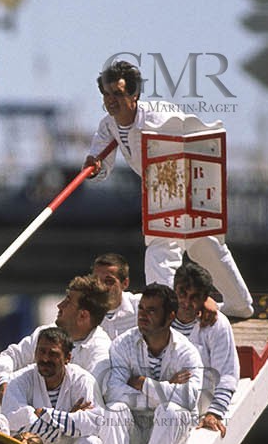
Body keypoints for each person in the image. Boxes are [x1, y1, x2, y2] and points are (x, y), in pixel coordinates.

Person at [85, 60, 253, 319]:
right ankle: (218, 305)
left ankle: (173, 311)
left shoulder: (158, 116)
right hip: (159, 188)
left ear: (134, 94)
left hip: (187, 181)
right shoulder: (108, 125)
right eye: (106, 94)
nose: (111, 100)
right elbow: (100, 164)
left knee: (197, 245)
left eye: (118, 94)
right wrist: (93, 165)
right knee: (174, 249)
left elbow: (192, 134)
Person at [103, 283, 203, 444]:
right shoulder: (122, 345)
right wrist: (166, 388)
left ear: (169, 317)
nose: (143, 315)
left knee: (171, 410)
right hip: (137, 431)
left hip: (172, 432)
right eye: (141, 309)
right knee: (114, 409)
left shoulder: (187, 352)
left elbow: (189, 398)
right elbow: (114, 391)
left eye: (151, 310)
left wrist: (142, 383)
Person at [0, 327, 108, 444]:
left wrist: (45, 414)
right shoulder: (19, 380)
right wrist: (70, 419)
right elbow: (13, 420)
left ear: (67, 358)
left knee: (91, 443)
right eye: (41, 351)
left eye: (53, 354)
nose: (45, 358)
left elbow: (94, 423)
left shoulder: (83, 380)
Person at [0, 274, 114, 400]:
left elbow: (88, 401)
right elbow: (9, 357)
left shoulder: (102, 352)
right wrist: (2, 384)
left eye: (68, 302)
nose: (59, 305)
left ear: (83, 316)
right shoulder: (45, 333)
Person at [172, 260, 241, 438]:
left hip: (198, 406)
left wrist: (215, 412)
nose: (186, 302)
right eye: (182, 294)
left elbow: (227, 373)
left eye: (194, 297)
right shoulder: (159, 313)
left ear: (204, 299)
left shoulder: (217, 324)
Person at [93, 253, 142, 340]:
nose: (101, 287)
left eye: (108, 281)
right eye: (96, 281)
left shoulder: (141, 306)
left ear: (125, 283)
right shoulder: (82, 312)